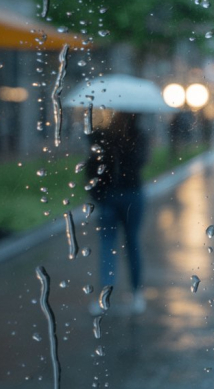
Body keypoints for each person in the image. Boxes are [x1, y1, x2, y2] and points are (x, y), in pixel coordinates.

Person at [86, 111, 150, 315]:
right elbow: (95, 160)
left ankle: (131, 293)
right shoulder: (107, 135)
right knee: (117, 243)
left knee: (121, 243)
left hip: (122, 195)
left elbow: (139, 161)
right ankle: (128, 294)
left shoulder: (136, 136)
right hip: (117, 196)